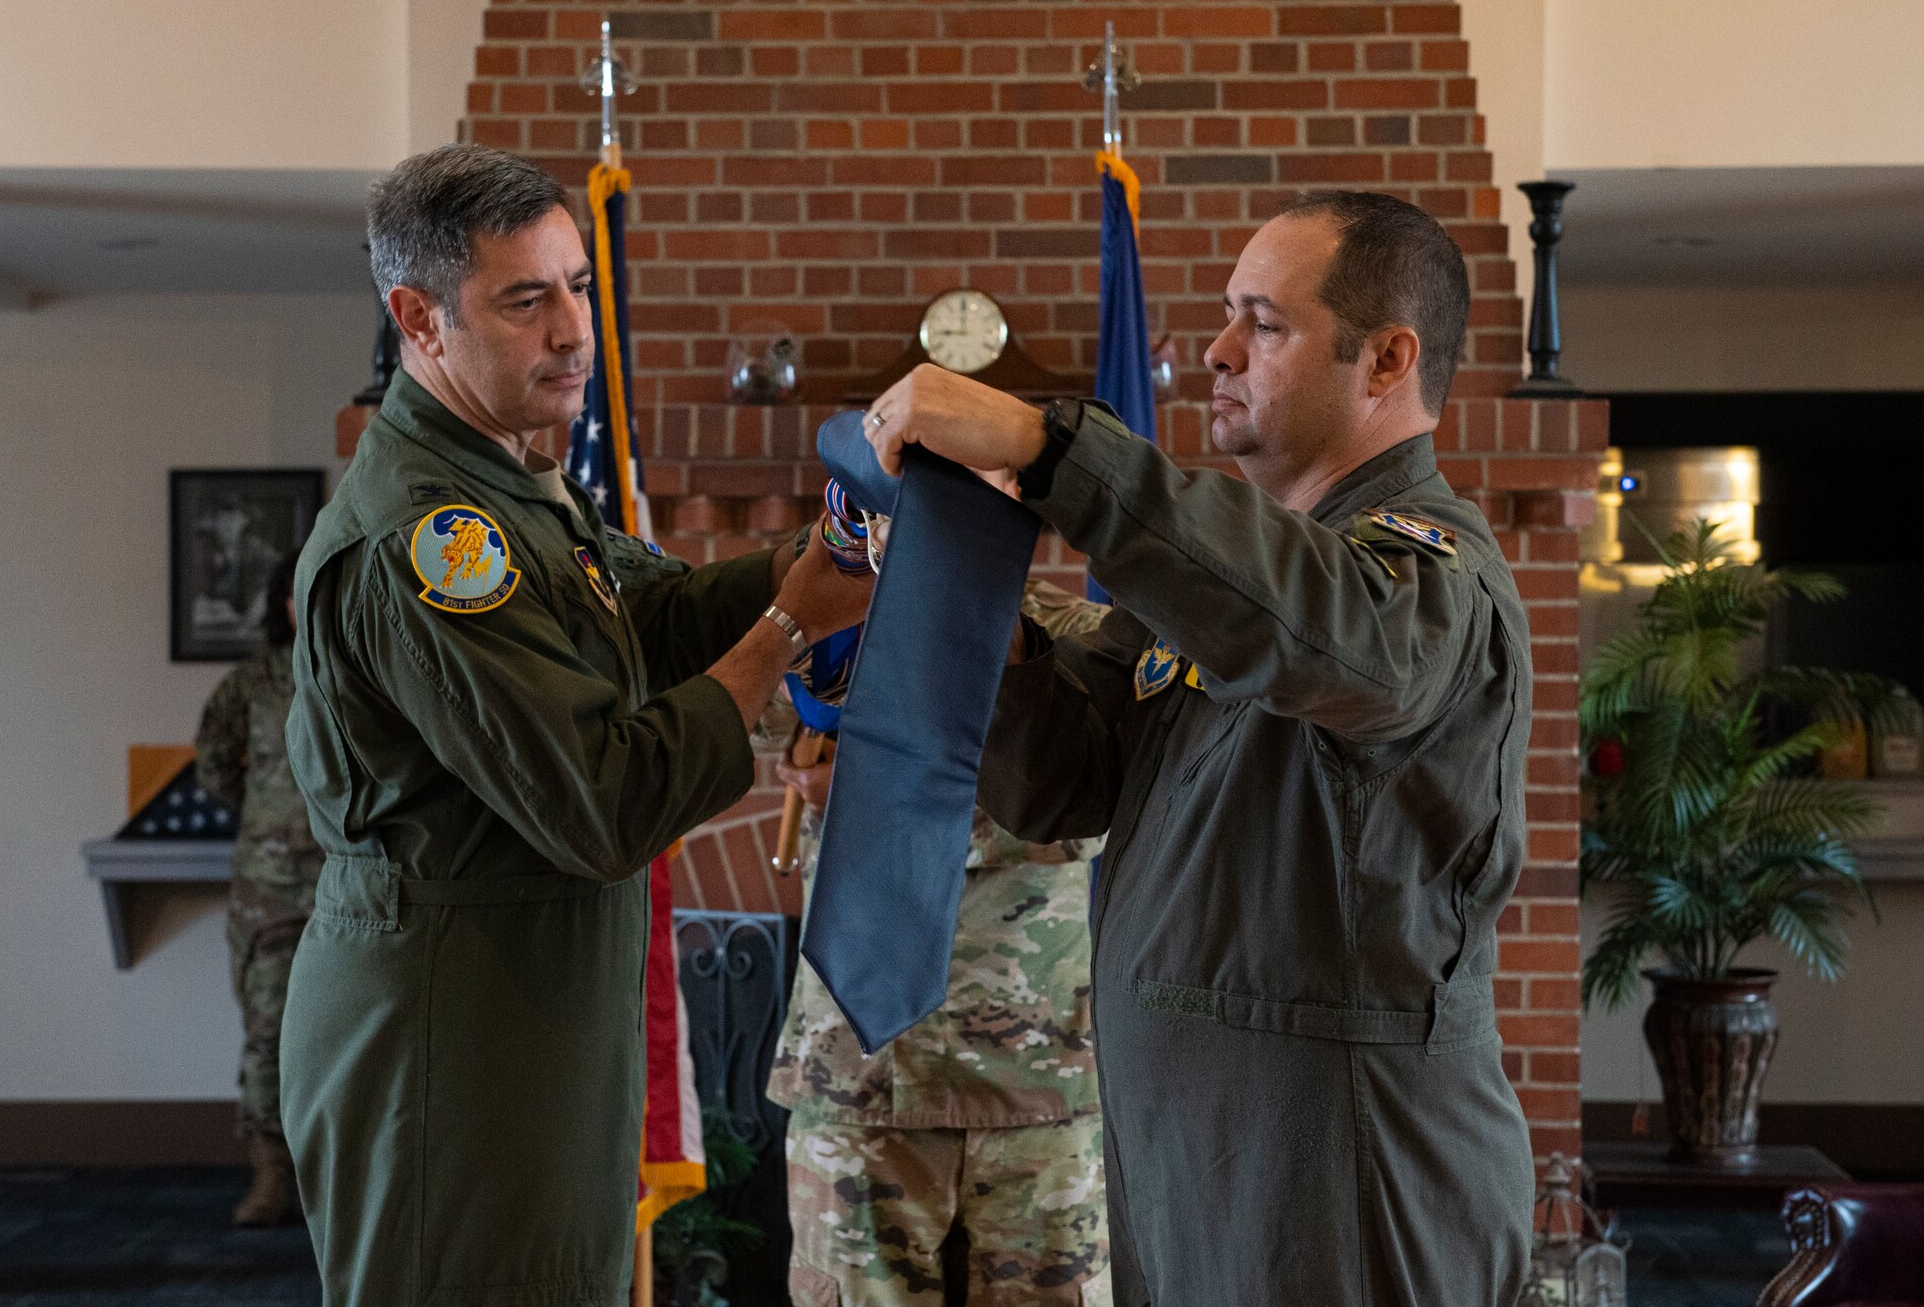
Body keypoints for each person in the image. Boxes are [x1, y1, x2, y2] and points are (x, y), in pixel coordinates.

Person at [857, 190, 1536, 1307]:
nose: (1213, 353)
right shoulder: (1240, 582)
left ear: (1384, 360)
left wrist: (1051, 446)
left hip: (1341, 1173)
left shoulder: (1428, 578)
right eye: (1225, 317)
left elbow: (1318, 632)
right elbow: (1062, 779)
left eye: (1263, 324)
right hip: (1196, 1168)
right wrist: (963, 588)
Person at [280, 143, 869, 1307]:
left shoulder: (511, 476)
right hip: (452, 1036)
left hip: (528, 1012)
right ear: (419, 317)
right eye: (525, 299)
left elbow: (650, 614)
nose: (571, 331)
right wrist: (788, 629)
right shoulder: (431, 540)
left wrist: (820, 557)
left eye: (578, 289)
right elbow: (602, 800)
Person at [767, 577, 1111, 1307]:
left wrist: (876, 785)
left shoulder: (1080, 631)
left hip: (1041, 1085)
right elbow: (753, 711)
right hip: (860, 1080)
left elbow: (1107, 791)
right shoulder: (836, 618)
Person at [195, 549, 321, 1227]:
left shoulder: (364, 671)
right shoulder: (252, 680)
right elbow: (213, 762)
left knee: (346, 1036)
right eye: (295, 592)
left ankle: (338, 1179)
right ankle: (271, 1174)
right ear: (281, 602)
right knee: (269, 1031)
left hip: (350, 887)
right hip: (270, 890)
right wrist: (265, 817)